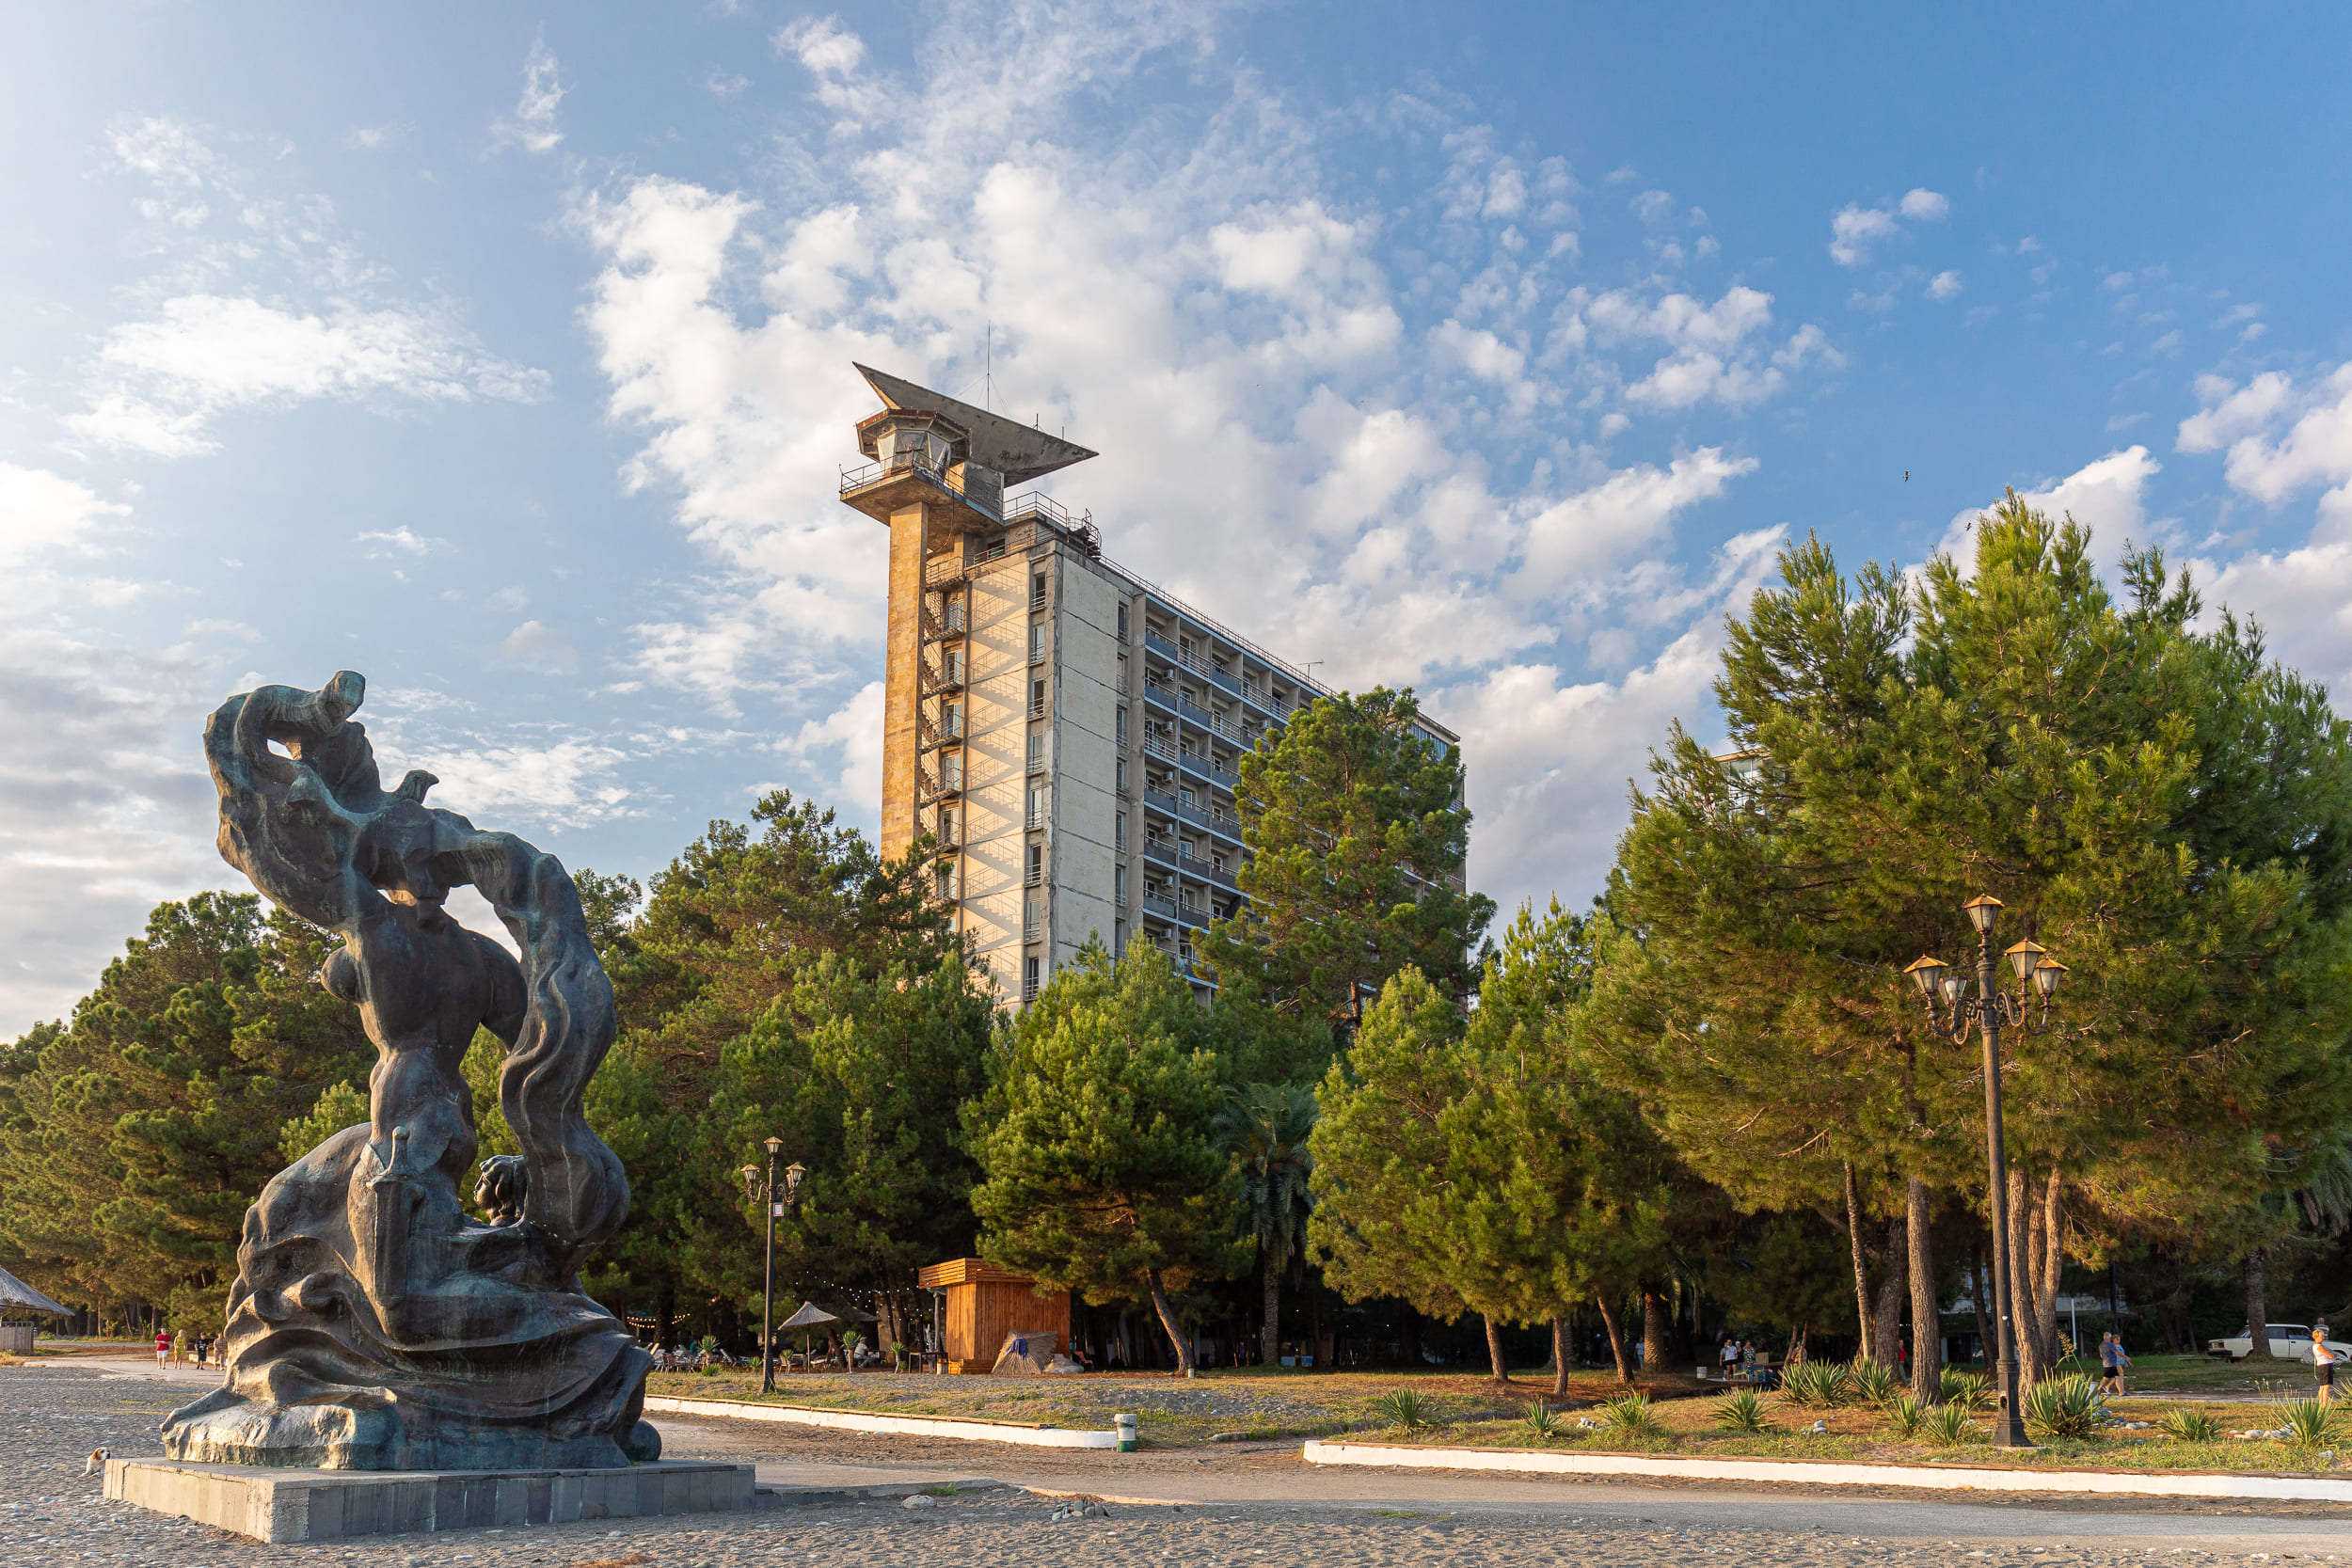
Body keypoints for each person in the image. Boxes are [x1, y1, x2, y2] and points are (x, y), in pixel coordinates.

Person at [2313, 1325, 2340, 1404]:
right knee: (2326, 1387)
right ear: (2316, 1337)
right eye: (2321, 1337)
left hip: (2320, 1366)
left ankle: (2320, 1402)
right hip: (2326, 1366)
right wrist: (2331, 1355)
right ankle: (2324, 1403)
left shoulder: (2314, 1346)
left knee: (2322, 1386)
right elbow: (2330, 1355)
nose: (2323, 1338)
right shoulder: (2320, 1346)